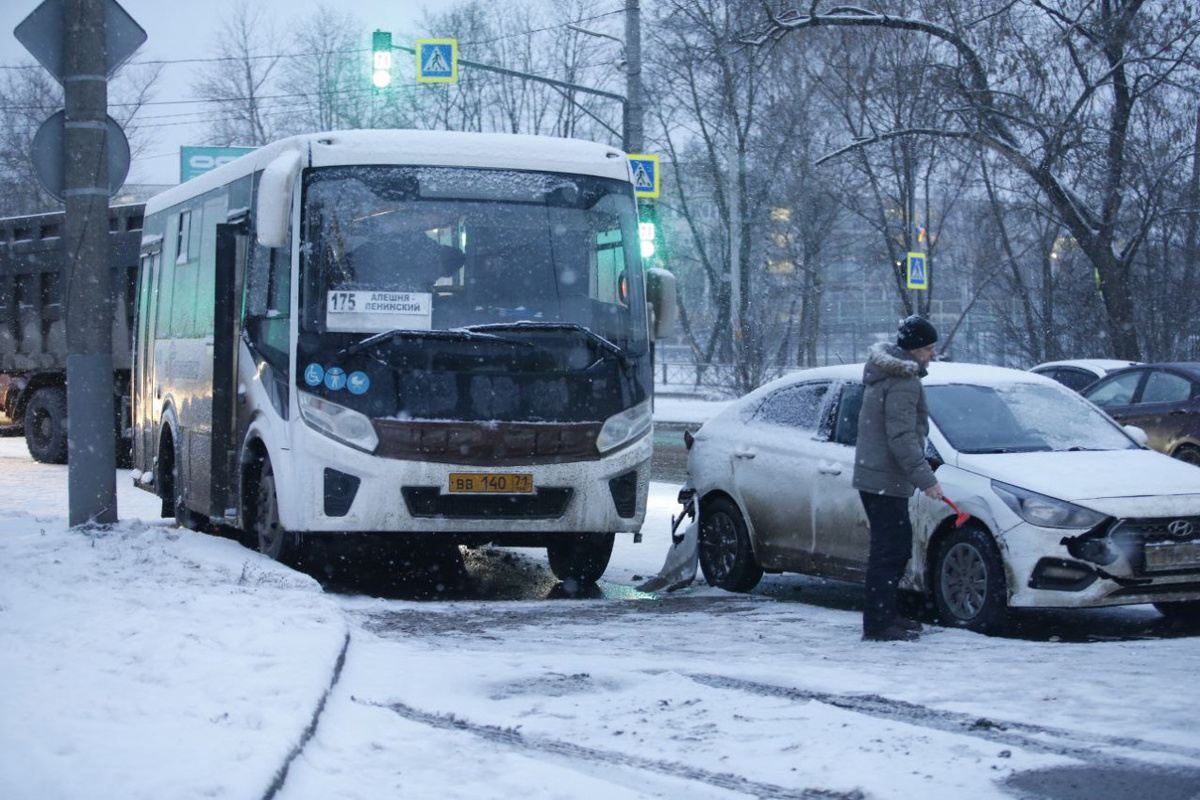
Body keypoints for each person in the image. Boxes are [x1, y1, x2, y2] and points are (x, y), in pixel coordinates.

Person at [852, 315, 944, 642]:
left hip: (876, 476)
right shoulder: (903, 382)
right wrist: (926, 479)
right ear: (915, 350)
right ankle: (879, 624)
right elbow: (902, 438)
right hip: (885, 480)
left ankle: (886, 615)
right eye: (929, 348)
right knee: (890, 551)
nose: (933, 354)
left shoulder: (886, 375)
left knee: (892, 549)